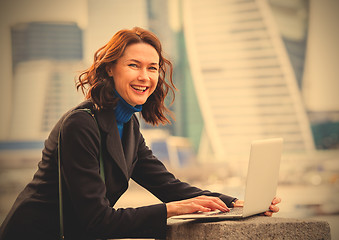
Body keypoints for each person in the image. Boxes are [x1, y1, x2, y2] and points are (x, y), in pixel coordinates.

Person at [0, 27, 281, 240]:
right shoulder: (81, 124)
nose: (144, 76)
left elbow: (169, 186)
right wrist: (172, 209)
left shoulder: (129, 126)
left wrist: (234, 203)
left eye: (152, 68)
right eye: (133, 65)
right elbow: (97, 220)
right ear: (110, 68)